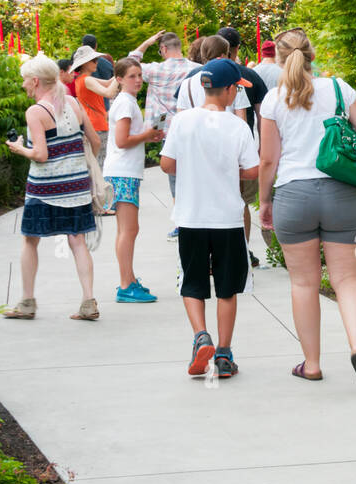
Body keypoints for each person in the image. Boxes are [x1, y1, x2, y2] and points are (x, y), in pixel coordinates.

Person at [258, 28, 356, 388]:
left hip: (294, 198)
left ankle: (311, 363)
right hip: (343, 195)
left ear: (279, 59)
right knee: (349, 279)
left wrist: (265, 201)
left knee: (303, 282)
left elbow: (268, 160)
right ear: (312, 55)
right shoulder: (340, 89)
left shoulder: (272, 100)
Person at [160, 58, 260, 379]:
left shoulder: (183, 121)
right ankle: (225, 354)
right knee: (227, 289)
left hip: (191, 217)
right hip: (228, 220)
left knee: (193, 282)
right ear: (230, 90)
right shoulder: (237, 126)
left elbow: (166, 164)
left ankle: (201, 335)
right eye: (237, 90)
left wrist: (191, 166)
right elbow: (252, 171)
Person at [2, 54, 103, 321]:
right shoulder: (72, 102)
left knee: (30, 240)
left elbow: (41, 155)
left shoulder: (36, 111)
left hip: (45, 189)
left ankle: (27, 302)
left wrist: (19, 149)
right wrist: (80, 167)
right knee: (77, 241)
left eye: (25, 80)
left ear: (35, 81)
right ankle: (88, 301)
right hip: (77, 187)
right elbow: (95, 141)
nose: (23, 84)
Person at [127, 30, 199, 240]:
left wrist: (147, 43)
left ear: (164, 49)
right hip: (191, 128)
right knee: (192, 174)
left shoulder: (155, 70)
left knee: (175, 177)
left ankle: (180, 222)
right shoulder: (196, 69)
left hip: (166, 130)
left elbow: (130, 62)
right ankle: (194, 216)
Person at [104, 57, 164, 303]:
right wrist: (147, 135)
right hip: (124, 172)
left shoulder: (124, 102)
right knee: (129, 229)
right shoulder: (126, 104)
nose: (138, 80)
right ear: (119, 79)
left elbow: (125, 139)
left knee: (126, 230)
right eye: (132, 76)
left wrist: (146, 136)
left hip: (122, 170)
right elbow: (122, 141)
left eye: (139, 75)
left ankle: (128, 280)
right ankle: (126, 284)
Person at [217, 26, 268, 267]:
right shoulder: (250, 76)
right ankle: (243, 252)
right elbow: (261, 116)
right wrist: (261, 149)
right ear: (237, 48)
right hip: (243, 151)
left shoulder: (201, 76)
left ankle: (217, 254)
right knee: (241, 203)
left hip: (212, 152)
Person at [70, 45, 120, 181]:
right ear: (85, 63)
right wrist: (120, 75)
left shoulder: (82, 79)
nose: (97, 62)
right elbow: (109, 92)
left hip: (91, 125)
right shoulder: (87, 80)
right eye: (94, 60)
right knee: (99, 167)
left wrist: (119, 74)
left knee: (94, 165)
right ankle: (99, 199)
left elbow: (108, 82)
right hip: (97, 126)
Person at [81, 34, 115, 111]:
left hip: (86, 107)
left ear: (82, 45)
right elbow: (110, 83)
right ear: (96, 45)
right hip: (104, 105)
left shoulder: (79, 65)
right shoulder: (107, 64)